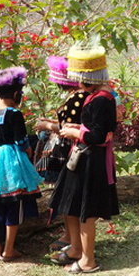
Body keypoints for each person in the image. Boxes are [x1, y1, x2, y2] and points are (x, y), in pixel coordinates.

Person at [49, 45, 119, 273]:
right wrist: (77, 126)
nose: (78, 84)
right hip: (82, 158)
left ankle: (88, 260)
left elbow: (98, 136)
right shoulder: (97, 97)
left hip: (91, 160)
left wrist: (75, 133)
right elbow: (95, 127)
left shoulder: (102, 99)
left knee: (85, 210)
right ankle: (76, 249)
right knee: (70, 203)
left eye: (80, 79)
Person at [0, 67, 44, 263]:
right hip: (13, 167)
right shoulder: (14, 114)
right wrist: (29, 150)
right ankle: (9, 250)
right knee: (14, 205)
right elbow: (22, 141)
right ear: (16, 94)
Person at [34, 55, 89, 250]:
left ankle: (72, 240)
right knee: (66, 196)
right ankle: (70, 237)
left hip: (69, 151)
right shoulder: (80, 96)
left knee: (68, 196)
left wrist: (46, 125)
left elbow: (69, 127)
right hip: (71, 149)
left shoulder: (77, 97)